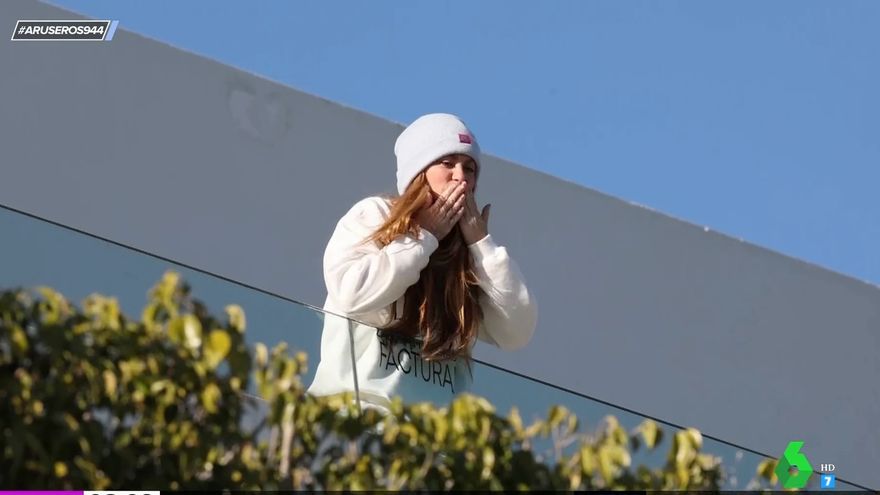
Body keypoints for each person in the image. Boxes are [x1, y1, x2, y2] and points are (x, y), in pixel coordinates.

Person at [307, 113, 538, 413]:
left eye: (469, 168)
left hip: (432, 434)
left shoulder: (466, 256)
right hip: (352, 417)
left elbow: (517, 331)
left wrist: (482, 245)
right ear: (419, 173)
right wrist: (423, 237)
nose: (461, 177)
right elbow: (352, 292)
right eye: (447, 163)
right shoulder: (376, 216)